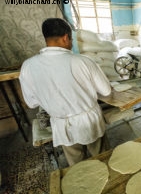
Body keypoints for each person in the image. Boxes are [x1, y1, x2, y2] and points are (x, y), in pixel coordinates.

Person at [19, 18, 112, 166]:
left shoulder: (28, 66)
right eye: (71, 39)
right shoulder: (83, 61)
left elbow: (31, 103)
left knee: (77, 167)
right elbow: (106, 91)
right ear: (65, 37)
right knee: (102, 158)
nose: (72, 43)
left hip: (62, 125)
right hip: (89, 121)